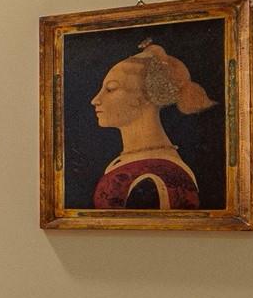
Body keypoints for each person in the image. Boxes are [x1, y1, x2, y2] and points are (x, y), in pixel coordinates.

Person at [89, 40, 215, 209]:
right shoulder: (131, 161)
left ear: (146, 97)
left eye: (111, 89)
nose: (95, 100)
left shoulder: (157, 177)